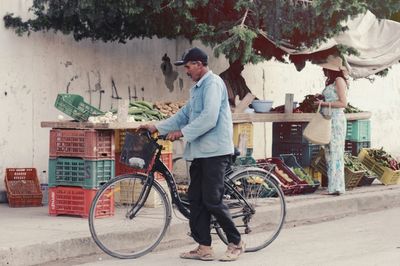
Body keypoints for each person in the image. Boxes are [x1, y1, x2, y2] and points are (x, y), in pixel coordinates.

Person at [140, 47, 245, 261]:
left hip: (215, 152)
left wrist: (181, 133)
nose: (186, 71)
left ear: (198, 64)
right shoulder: (197, 89)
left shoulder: (213, 84)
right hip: (200, 152)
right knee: (196, 199)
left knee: (212, 200)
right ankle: (204, 247)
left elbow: (209, 118)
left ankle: (236, 241)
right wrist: (157, 127)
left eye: (188, 67)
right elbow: (183, 115)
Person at [316, 55, 349, 195]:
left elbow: (343, 103)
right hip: (329, 119)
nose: (324, 70)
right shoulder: (332, 82)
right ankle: (333, 186)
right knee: (329, 152)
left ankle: (337, 187)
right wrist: (322, 97)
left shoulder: (339, 80)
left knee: (335, 152)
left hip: (336, 120)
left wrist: (324, 103)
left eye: (326, 68)